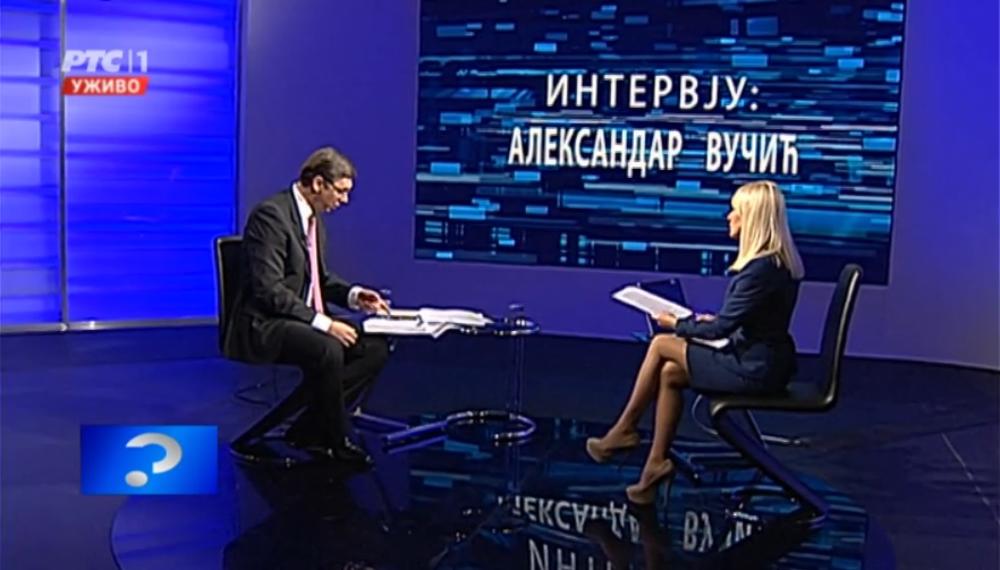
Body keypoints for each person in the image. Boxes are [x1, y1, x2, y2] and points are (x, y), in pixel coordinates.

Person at [586, 180, 805, 503]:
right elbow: (743, 322)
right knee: (669, 373)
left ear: (752, 219)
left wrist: (677, 324)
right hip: (762, 360)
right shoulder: (774, 263)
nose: (728, 216)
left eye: (735, 211)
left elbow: (721, 330)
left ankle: (624, 430)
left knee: (661, 344)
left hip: (755, 369)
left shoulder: (760, 270)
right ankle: (655, 466)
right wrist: (708, 322)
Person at [224, 146, 391, 469]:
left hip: (297, 318)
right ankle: (332, 438)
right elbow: (268, 290)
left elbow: (319, 278)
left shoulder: (314, 221)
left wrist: (355, 295)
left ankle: (309, 428)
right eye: (340, 191)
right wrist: (325, 323)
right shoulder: (271, 216)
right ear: (317, 184)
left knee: (374, 348)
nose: (344, 200)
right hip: (264, 324)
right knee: (328, 348)